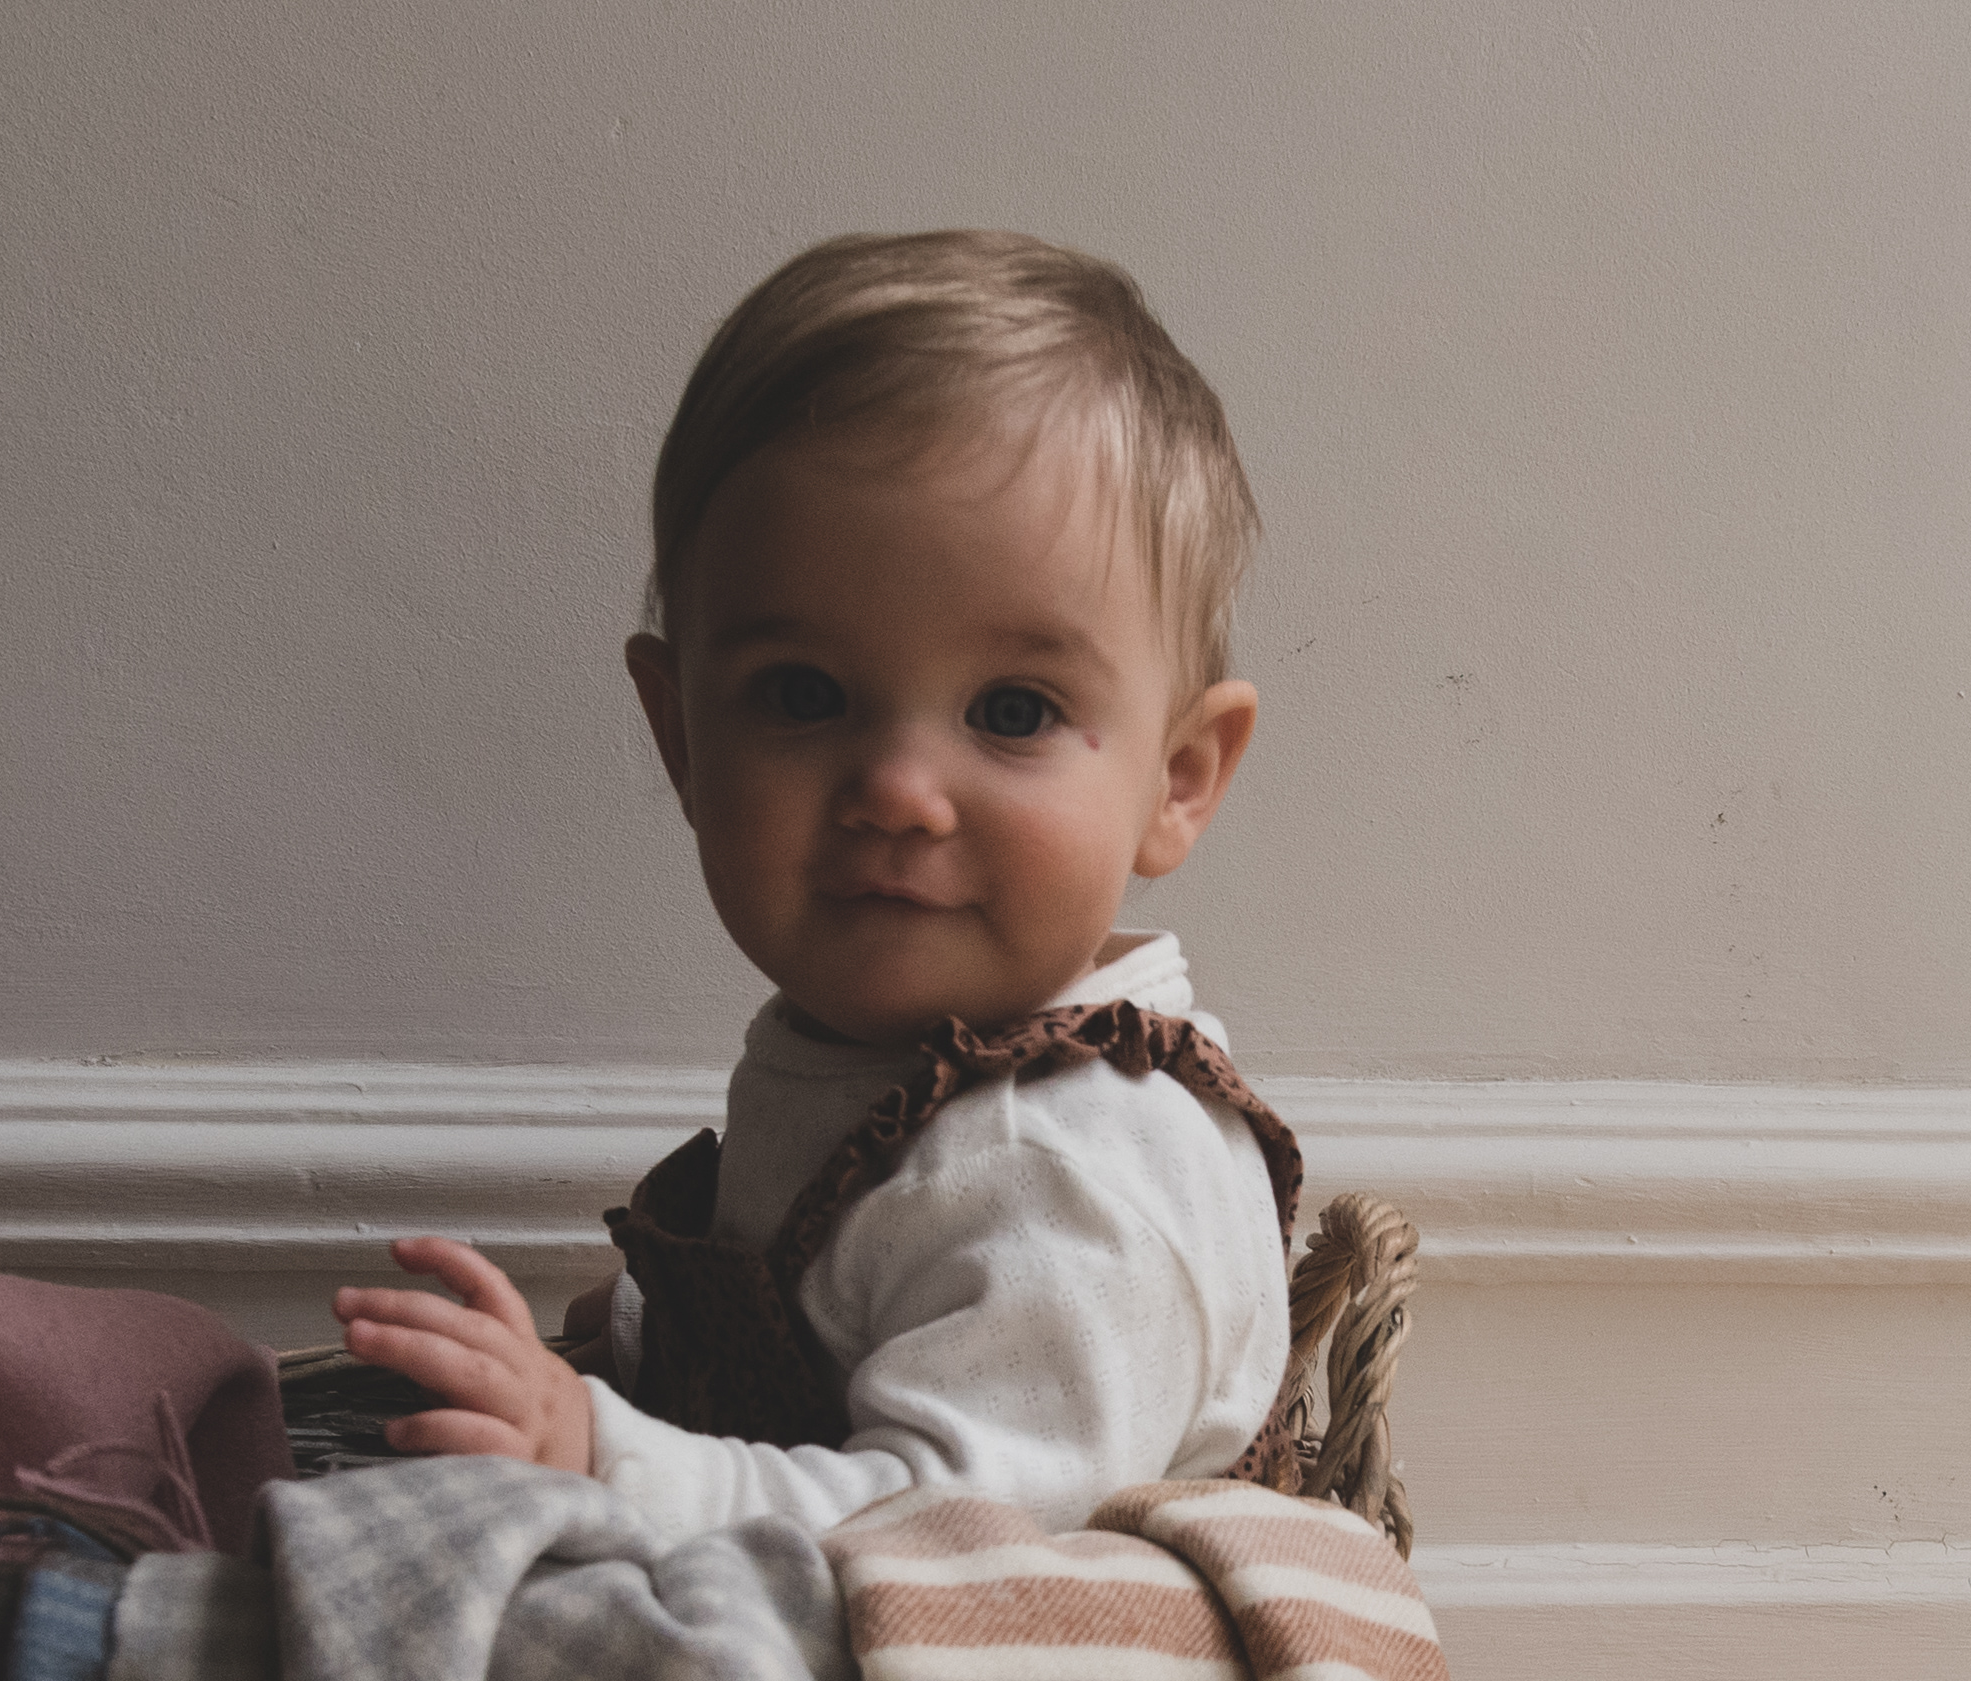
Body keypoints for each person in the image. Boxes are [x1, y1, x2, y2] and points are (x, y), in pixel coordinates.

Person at [328, 227, 1301, 1539]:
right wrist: (601, 1362)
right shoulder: (873, 1066)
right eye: (805, 696)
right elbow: (811, 1320)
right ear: (680, 738)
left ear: (1179, 777)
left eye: (1012, 709)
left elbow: (949, 1545)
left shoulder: (1064, 1172)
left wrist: (599, 1456)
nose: (899, 788)